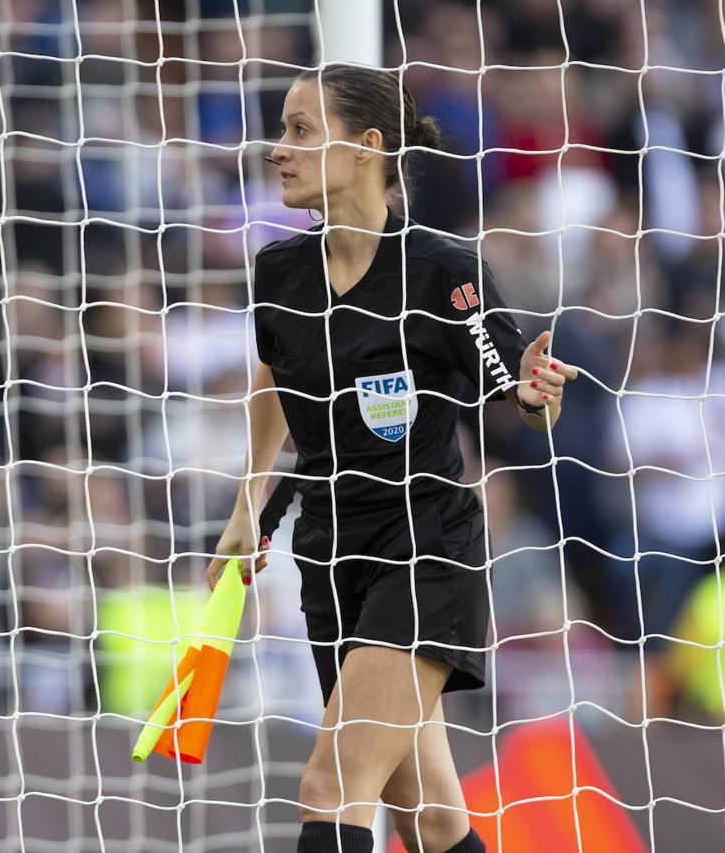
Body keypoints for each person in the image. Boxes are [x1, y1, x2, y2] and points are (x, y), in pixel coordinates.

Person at [205, 65, 579, 853]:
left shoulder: (442, 271)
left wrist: (541, 393)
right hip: (329, 552)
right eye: (283, 130)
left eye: (301, 131)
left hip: (425, 548)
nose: (279, 149)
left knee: (329, 787)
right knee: (430, 818)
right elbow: (275, 376)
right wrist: (248, 503)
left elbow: (519, 388)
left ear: (367, 147)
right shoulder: (279, 272)